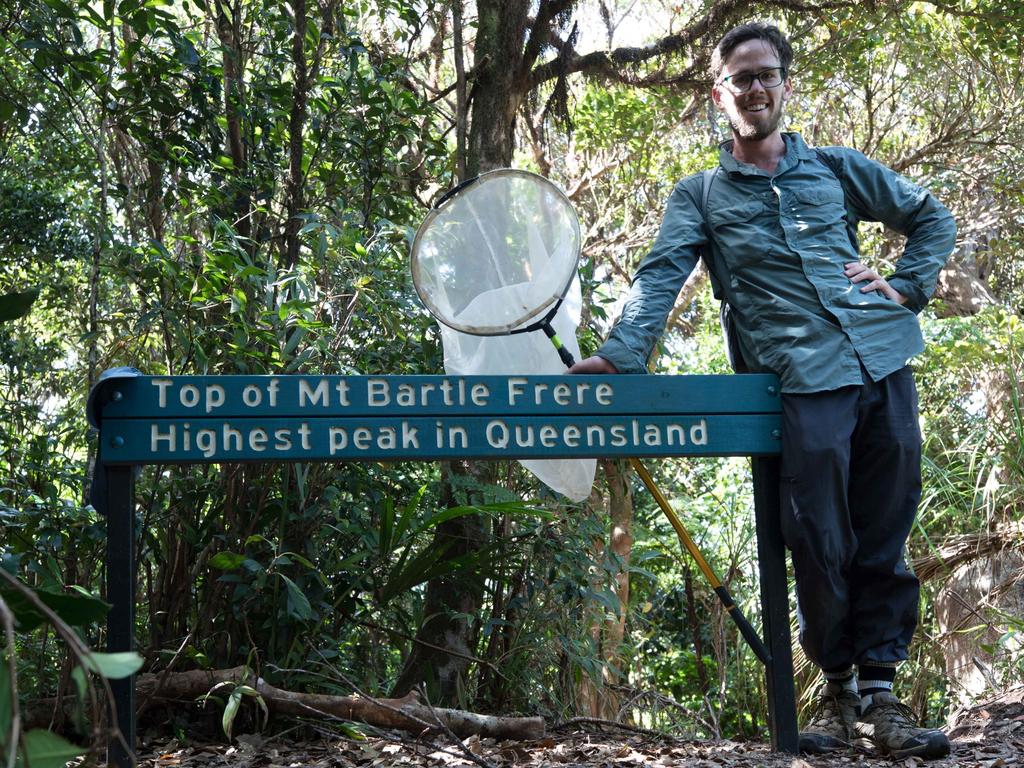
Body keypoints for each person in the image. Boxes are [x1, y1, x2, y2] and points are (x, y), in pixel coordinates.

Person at [569, 22, 956, 759]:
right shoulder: (703, 194)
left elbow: (931, 216)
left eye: (766, 74)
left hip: (882, 361)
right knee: (816, 535)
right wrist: (622, 354)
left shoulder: (836, 169)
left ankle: (883, 698)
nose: (755, 87)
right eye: (740, 77)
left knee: (886, 525)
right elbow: (660, 276)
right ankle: (839, 690)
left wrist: (905, 286)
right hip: (804, 379)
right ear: (720, 95)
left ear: (785, 84)